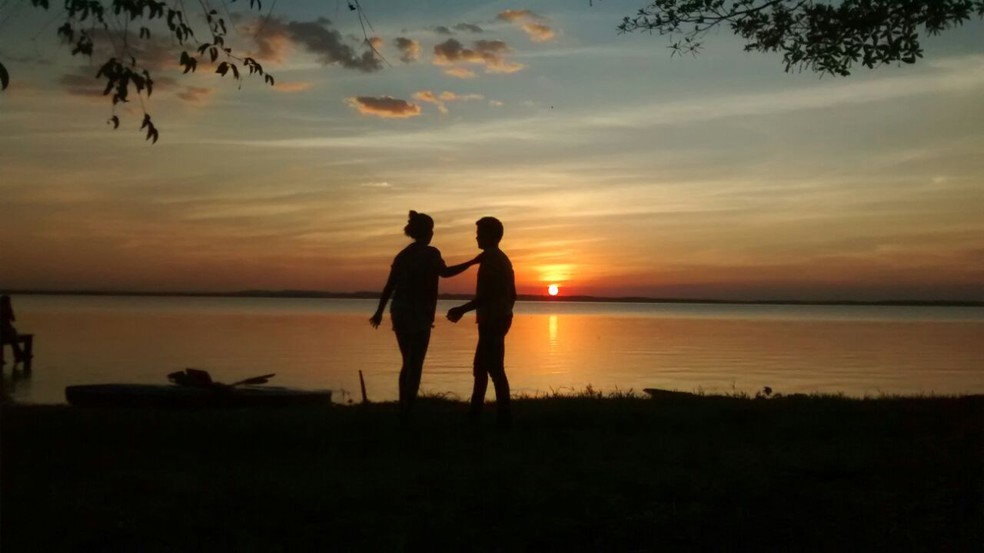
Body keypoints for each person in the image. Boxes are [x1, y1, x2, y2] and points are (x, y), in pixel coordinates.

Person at [370, 211, 480, 415]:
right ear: (427, 232)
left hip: (400, 311)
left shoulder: (402, 255)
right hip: (419, 313)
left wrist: (379, 312)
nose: (432, 234)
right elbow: (445, 273)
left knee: (407, 361)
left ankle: (404, 405)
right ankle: (409, 407)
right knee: (416, 361)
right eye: (431, 230)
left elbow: (389, 286)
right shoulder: (431, 253)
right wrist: (472, 263)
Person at [447, 217, 517, 427]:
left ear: (491, 235)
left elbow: (489, 293)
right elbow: (512, 293)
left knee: (492, 368)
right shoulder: (497, 258)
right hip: (498, 317)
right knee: (482, 367)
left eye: (479, 232)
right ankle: (478, 412)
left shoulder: (492, 260)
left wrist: (462, 309)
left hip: (493, 320)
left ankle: (499, 417)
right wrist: (507, 311)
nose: (476, 236)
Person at [1, 295, 26, 364]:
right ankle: (18, 354)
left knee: (13, 338)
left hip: (7, 329)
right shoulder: (4, 309)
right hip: (4, 329)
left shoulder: (7, 309)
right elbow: (12, 319)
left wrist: (10, 312)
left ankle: (18, 354)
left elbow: (13, 319)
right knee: (13, 337)